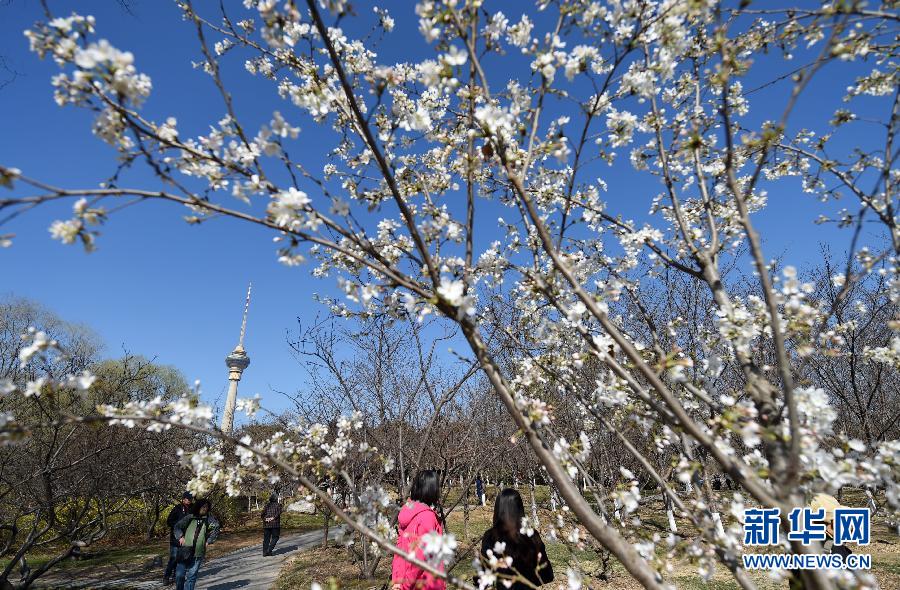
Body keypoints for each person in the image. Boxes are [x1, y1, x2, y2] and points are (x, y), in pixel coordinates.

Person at [477, 489, 553, 589]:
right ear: (520, 508)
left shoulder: (491, 536)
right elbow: (547, 575)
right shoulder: (532, 534)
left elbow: (483, 574)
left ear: (498, 509)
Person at [391, 470, 446, 590]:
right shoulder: (427, 517)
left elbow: (399, 550)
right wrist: (406, 585)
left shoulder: (407, 511)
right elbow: (421, 557)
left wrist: (397, 580)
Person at [173, 498, 220, 590]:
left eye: (207, 507)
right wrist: (180, 537)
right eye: (203, 506)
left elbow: (216, 527)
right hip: (185, 550)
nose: (205, 508)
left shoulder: (209, 519)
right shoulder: (190, 517)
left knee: (192, 576)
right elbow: (177, 526)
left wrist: (209, 541)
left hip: (198, 552)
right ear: (198, 506)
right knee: (179, 575)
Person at [163, 492, 193, 585]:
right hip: (175, 538)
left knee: (182, 558)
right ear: (184, 499)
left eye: (191, 499)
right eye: (188, 499)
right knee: (173, 558)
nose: (190, 500)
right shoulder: (177, 509)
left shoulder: (192, 509)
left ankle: (177, 576)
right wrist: (179, 524)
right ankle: (166, 577)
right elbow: (169, 521)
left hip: (186, 537)